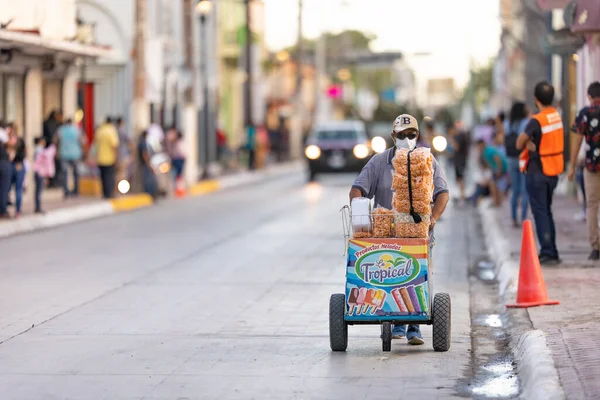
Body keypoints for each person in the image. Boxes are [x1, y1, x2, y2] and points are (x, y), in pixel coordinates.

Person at [350, 114, 450, 345]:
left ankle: (414, 326)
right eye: (402, 135)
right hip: (386, 234)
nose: (406, 139)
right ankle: (395, 320)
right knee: (391, 276)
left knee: (416, 275)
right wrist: (360, 214)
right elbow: (357, 189)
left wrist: (433, 218)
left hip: (417, 233)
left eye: (411, 135)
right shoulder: (378, 162)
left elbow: (442, 193)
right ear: (393, 137)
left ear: (418, 135)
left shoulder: (427, 160)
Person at [516, 81, 564, 265]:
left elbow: (519, 143)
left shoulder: (538, 120)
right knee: (547, 211)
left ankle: (548, 251)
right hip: (553, 171)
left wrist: (528, 143)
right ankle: (552, 249)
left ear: (536, 99)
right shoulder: (557, 117)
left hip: (538, 171)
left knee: (541, 212)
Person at [568, 81, 600, 260]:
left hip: (592, 166)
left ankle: (596, 248)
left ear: (589, 96)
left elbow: (577, 141)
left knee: (592, 206)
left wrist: (572, 166)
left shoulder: (585, 113)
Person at [504, 102, 530, 227]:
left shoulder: (507, 124)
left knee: (515, 191)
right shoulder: (525, 122)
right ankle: (524, 219)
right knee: (525, 191)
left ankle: (514, 218)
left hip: (510, 159)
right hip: (522, 158)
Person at [93, 117, 120, 199]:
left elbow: (96, 145)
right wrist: (116, 158)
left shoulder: (100, 131)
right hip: (109, 158)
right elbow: (114, 146)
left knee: (103, 177)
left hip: (100, 158)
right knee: (110, 177)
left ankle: (104, 193)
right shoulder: (111, 131)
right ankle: (110, 193)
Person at [58, 118, 84, 198]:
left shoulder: (61, 130)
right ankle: (76, 191)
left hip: (64, 154)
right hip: (75, 154)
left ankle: (66, 192)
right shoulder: (76, 130)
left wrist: (57, 151)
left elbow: (56, 141)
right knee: (76, 174)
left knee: (64, 173)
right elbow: (82, 141)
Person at [476, 139, 508, 207]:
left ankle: (496, 202)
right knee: (494, 184)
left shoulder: (488, 151)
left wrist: (499, 170)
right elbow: (489, 163)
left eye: (479, 146)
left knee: (493, 184)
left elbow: (497, 159)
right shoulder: (485, 152)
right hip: (497, 169)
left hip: (501, 168)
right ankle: (497, 201)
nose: (478, 148)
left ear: (482, 145)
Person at [447, 122, 470, 202]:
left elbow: (456, 147)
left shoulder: (460, 136)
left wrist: (451, 140)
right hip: (458, 160)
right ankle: (461, 195)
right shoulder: (458, 136)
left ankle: (462, 196)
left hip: (461, 160)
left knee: (460, 179)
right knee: (458, 179)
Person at [8, 124, 26, 218]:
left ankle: (17, 210)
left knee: (15, 189)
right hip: (16, 165)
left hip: (14, 165)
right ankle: (16, 210)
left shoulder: (10, 141)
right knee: (15, 189)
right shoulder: (16, 141)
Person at [138, 129, 157, 198]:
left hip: (145, 164)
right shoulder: (143, 142)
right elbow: (145, 154)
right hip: (145, 164)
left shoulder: (143, 142)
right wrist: (148, 164)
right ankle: (149, 193)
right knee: (148, 179)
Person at [0, 123, 11, 219]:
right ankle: (2, 211)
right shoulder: (2, 133)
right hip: (3, 163)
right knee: (4, 189)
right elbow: (9, 144)